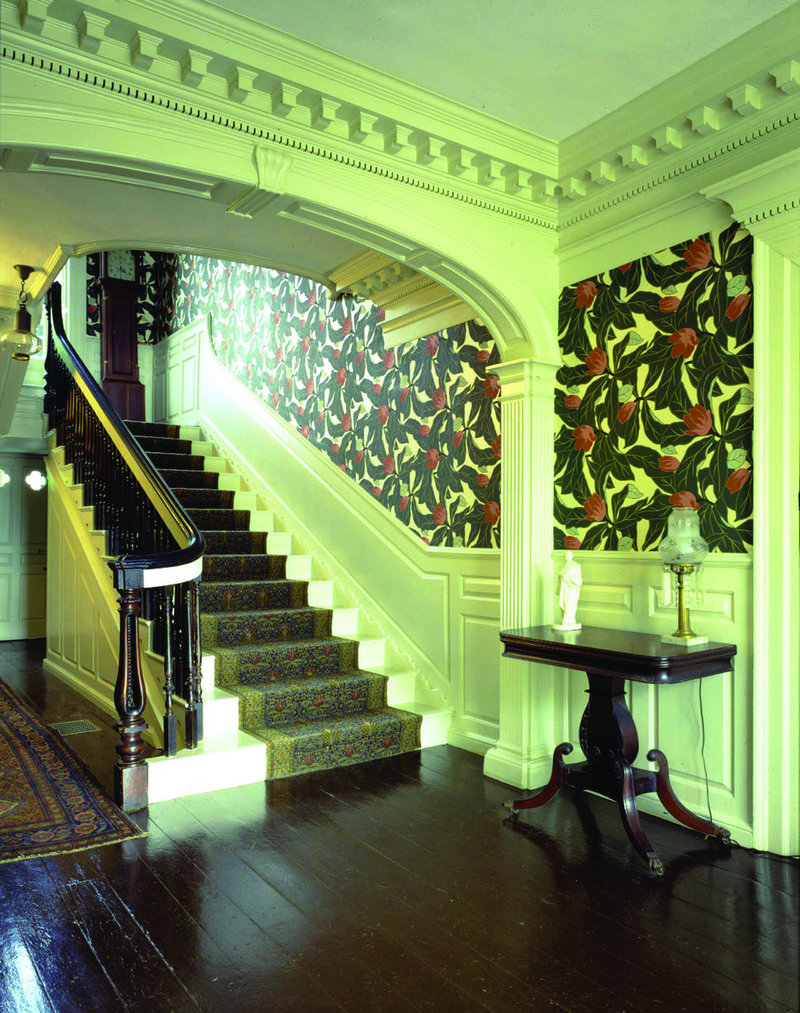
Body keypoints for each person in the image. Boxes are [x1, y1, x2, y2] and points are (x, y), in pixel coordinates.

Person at [554, 550, 582, 630]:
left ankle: (570, 620)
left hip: (572, 588)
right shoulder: (562, 566)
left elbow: (578, 579)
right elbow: (559, 577)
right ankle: (565, 619)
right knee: (564, 602)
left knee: (570, 603)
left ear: (572, 556)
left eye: (568, 555)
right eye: (565, 555)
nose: (567, 557)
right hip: (564, 588)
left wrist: (567, 578)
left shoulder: (576, 566)